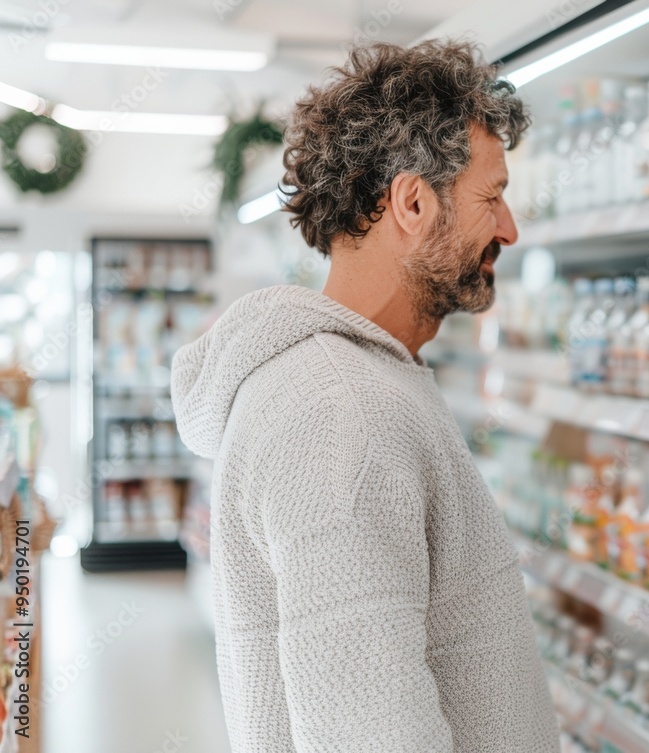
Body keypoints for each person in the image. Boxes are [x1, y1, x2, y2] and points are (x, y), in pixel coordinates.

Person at [172, 40, 559, 753]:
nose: (508, 228)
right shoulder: (340, 414)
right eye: (492, 196)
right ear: (412, 201)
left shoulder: (355, 383)